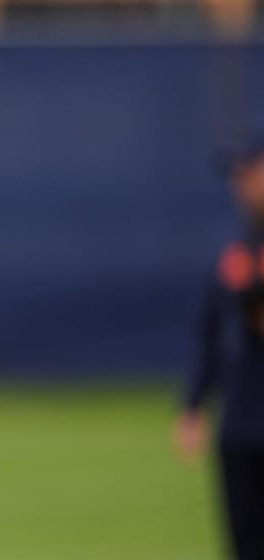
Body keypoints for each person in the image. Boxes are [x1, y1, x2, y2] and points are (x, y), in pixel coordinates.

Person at [176, 127, 264, 560]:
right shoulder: (231, 243)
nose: (240, 182)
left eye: (249, 170)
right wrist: (194, 405)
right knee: (244, 543)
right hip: (241, 421)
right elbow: (208, 329)